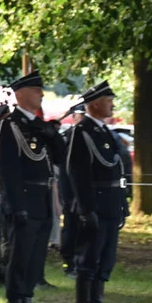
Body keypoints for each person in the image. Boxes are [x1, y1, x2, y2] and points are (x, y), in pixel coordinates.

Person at [0, 71, 58, 303]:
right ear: (20, 95)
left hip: (41, 200)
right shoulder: (11, 126)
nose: (41, 94)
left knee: (35, 258)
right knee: (20, 258)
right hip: (23, 201)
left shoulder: (37, 127)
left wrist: (52, 134)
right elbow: (7, 170)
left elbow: (59, 159)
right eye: (36, 90)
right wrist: (16, 205)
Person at [66, 81, 126, 303]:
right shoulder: (82, 132)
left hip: (110, 205)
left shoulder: (105, 132)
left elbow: (117, 171)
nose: (112, 104)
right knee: (88, 257)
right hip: (95, 204)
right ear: (94, 104)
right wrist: (86, 208)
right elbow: (77, 173)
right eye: (108, 100)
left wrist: (123, 205)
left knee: (105, 257)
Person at [58, 102, 86, 277]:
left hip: (88, 192)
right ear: (74, 117)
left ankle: (83, 260)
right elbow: (65, 168)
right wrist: (68, 195)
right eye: (80, 116)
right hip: (71, 191)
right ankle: (69, 261)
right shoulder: (68, 137)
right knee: (71, 227)